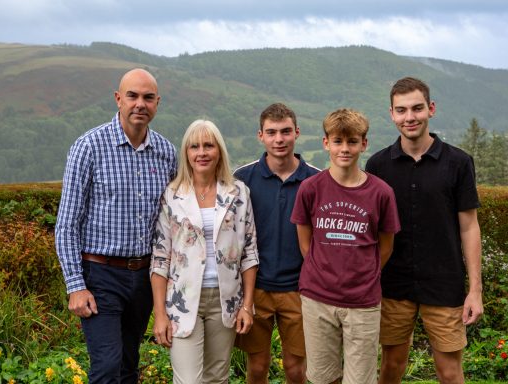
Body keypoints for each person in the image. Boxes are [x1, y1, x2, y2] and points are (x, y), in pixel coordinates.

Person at [55, 68, 177, 383]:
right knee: (107, 367)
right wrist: (76, 285)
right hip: (101, 275)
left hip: (145, 277)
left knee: (127, 365)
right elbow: (67, 223)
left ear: (157, 102)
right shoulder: (89, 147)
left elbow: (173, 222)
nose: (140, 104)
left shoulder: (166, 153)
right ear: (118, 98)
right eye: (133, 96)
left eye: (148, 98)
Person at [365, 77, 483, 384]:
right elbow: (370, 231)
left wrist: (475, 290)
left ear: (430, 109)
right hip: (392, 284)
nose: (410, 117)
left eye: (417, 108)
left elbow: (469, 227)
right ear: (391, 114)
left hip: (444, 283)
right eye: (401, 110)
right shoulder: (378, 165)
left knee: (449, 372)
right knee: (391, 367)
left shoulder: (458, 162)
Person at [291, 108, 401, 384]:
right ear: (326, 142)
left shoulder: (381, 193)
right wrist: (324, 271)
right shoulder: (310, 188)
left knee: (360, 380)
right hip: (317, 298)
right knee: (321, 377)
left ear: (364, 144)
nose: (345, 148)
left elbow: (385, 246)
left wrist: (363, 275)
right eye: (337, 141)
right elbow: (306, 242)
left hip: (362, 302)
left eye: (352, 141)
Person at [150, 119, 259, 383]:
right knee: (188, 380)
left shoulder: (238, 193)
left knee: (217, 378)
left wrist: (247, 306)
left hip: (225, 300)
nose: (201, 153)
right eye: (194, 146)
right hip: (183, 301)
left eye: (208, 146)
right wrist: (160, 314)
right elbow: (160, 257)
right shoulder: (173, 195)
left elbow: (249, 253)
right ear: (186, 153)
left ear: (219, 150)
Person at [234, 103, 319, 383]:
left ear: (297, 132)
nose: (279, 139)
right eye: (271, 132)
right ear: (261, 135)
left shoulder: (316, 180)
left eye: (285, 132)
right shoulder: (242, 179)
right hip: (255, 289)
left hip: (299, 289)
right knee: (257, 368)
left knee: (296, 370)